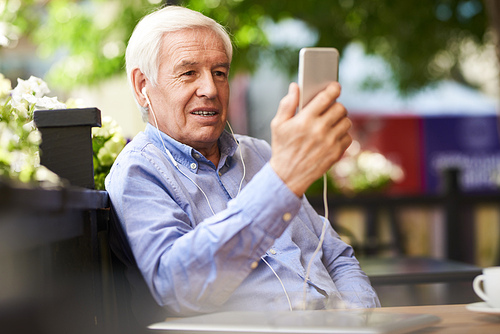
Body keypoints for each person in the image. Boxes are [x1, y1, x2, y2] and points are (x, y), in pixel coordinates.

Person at [105, 5, 380, 321]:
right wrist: (281, 182)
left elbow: (336, 256)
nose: (210, 89)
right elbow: (179, 289)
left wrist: (362, 319)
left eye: (219, 73)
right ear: (142, 86)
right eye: (188, 73)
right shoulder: (139, 171)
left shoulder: (259, 153)